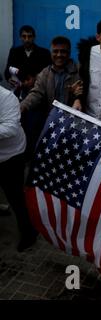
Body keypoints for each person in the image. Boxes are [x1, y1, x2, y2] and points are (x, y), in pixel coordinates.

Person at [20, 36, 83, 159]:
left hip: (73, 128)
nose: (59, 55)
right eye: (55, 51)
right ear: (51, 52)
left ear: (69, 53)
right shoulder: (44, 73)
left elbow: (84, 94)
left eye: (63, 51)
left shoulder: (79, 71)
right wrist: (21, 107)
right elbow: (36, 94)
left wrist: (77, 95)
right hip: (51, 127)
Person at [0, 85, 38, 251]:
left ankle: (29, 232)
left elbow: (11, 128)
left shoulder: (7, 98)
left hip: (11, 155)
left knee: (15, 196)